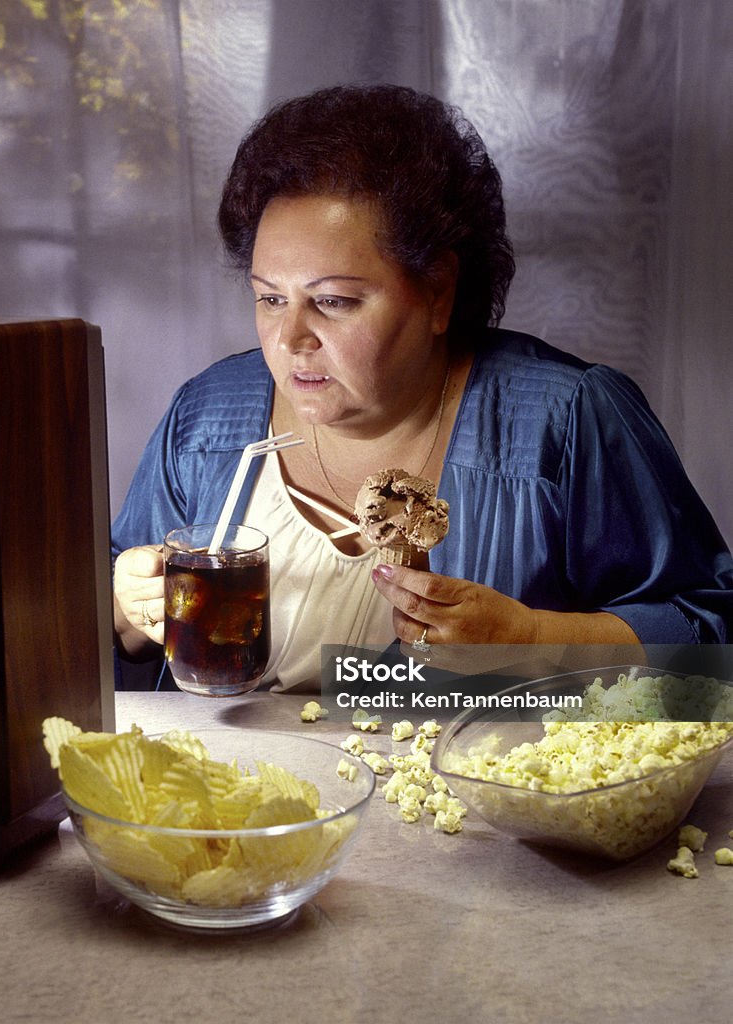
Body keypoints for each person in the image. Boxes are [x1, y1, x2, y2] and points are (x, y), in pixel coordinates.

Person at [111, 83, 733, 691]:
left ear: (437, 291)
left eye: (333, 300)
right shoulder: (205, 418)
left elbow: (713, 643)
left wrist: (534, 642)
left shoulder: (566, 420)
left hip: (476, 790)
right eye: (270, 298)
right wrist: (126, 611)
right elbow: (94, 641)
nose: (292, 337)